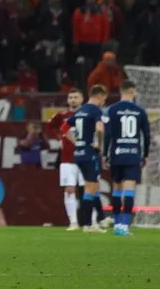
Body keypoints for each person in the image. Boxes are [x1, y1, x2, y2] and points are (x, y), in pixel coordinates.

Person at [103, 80, 151, 236]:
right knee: (129, 191)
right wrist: (145, 154)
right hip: (132, 154)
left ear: (120, 91)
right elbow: (147, 135)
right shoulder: (140, 111)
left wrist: (105, 154)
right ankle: (124, 226)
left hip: (117, 154)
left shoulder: (111, 110)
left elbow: (108, 134)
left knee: (117, 190)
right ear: (133, 91)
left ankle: (117, 224)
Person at [66, 85, 109, 233]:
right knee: (89, 188)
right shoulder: (95, 110)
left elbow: (64, 128)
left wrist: (76, 142)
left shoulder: (80, 111)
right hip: (90, 153)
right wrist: (99, 145)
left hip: (78, 153)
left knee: (92, 186)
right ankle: (88, 224)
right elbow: (99, 129)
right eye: (104, 99)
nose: (103, 102)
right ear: (99, 96)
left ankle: (98, 220)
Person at [50, 89, 86, 230]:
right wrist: (59, 138)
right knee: (69, 189)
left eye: (76, 97)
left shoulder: (88, 114)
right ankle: (73, 222)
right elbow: (50, 127)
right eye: (70, 97)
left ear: (82, 99)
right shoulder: (62, 116)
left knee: (89, 189)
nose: (73, 100)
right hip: (67, 158)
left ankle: (91, 221)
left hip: (85, 157)